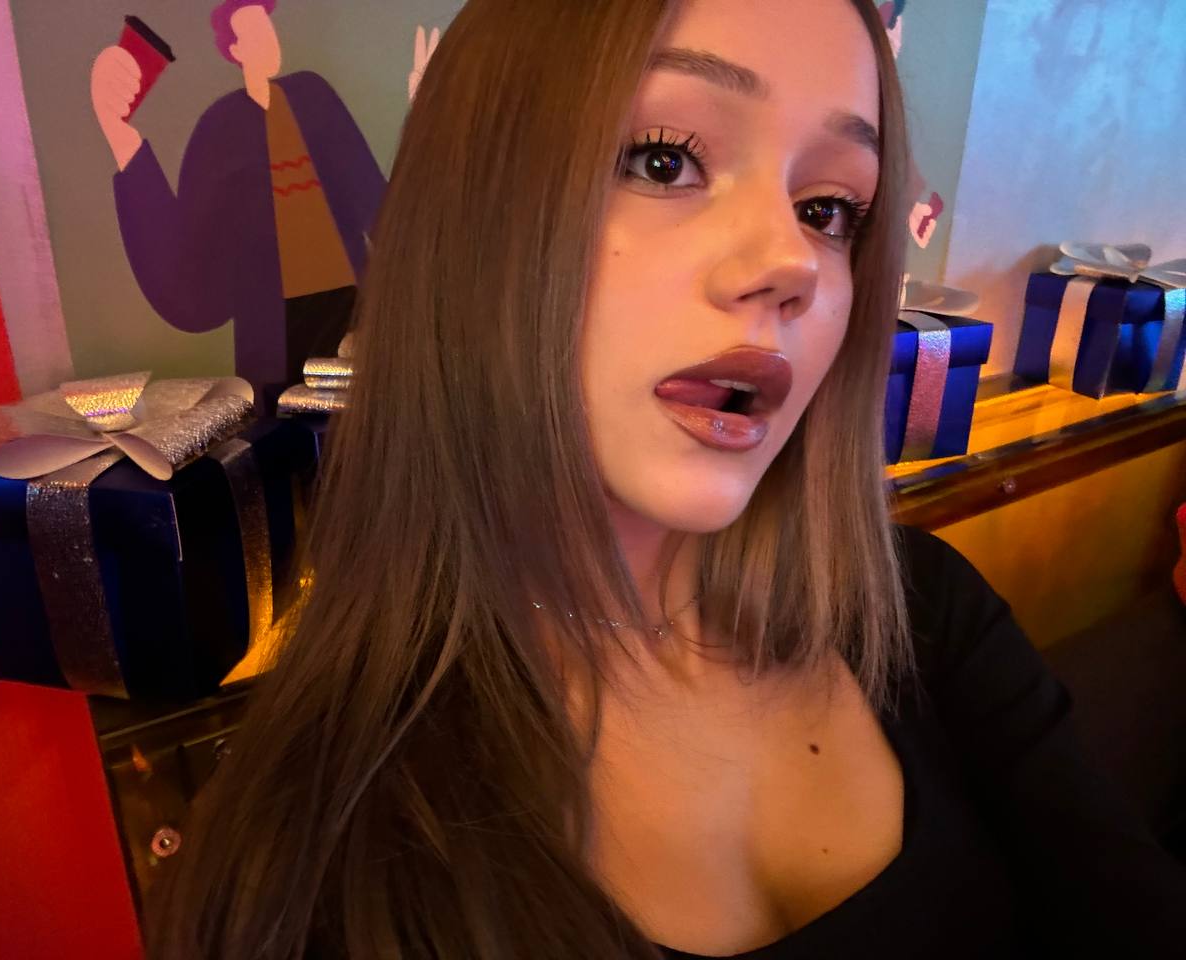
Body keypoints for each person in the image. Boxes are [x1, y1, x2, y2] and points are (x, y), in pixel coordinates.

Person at [145, 1, 1186, 957]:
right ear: (475, 214)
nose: (789, 262)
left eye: (829, 208)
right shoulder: (310, 866)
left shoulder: (917, 610)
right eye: (661, 159)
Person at [89, 0, 386, 409]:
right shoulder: (219, 127)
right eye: (254, 35)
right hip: (271, 328)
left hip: (348, 306)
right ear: (235, 50)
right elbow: (191, 265)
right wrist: (122, 139)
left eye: (268, 30)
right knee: (284, 429)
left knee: (366, 412)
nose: (267, 41)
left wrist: (424, 118)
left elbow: (375, 200)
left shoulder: (314, 96)